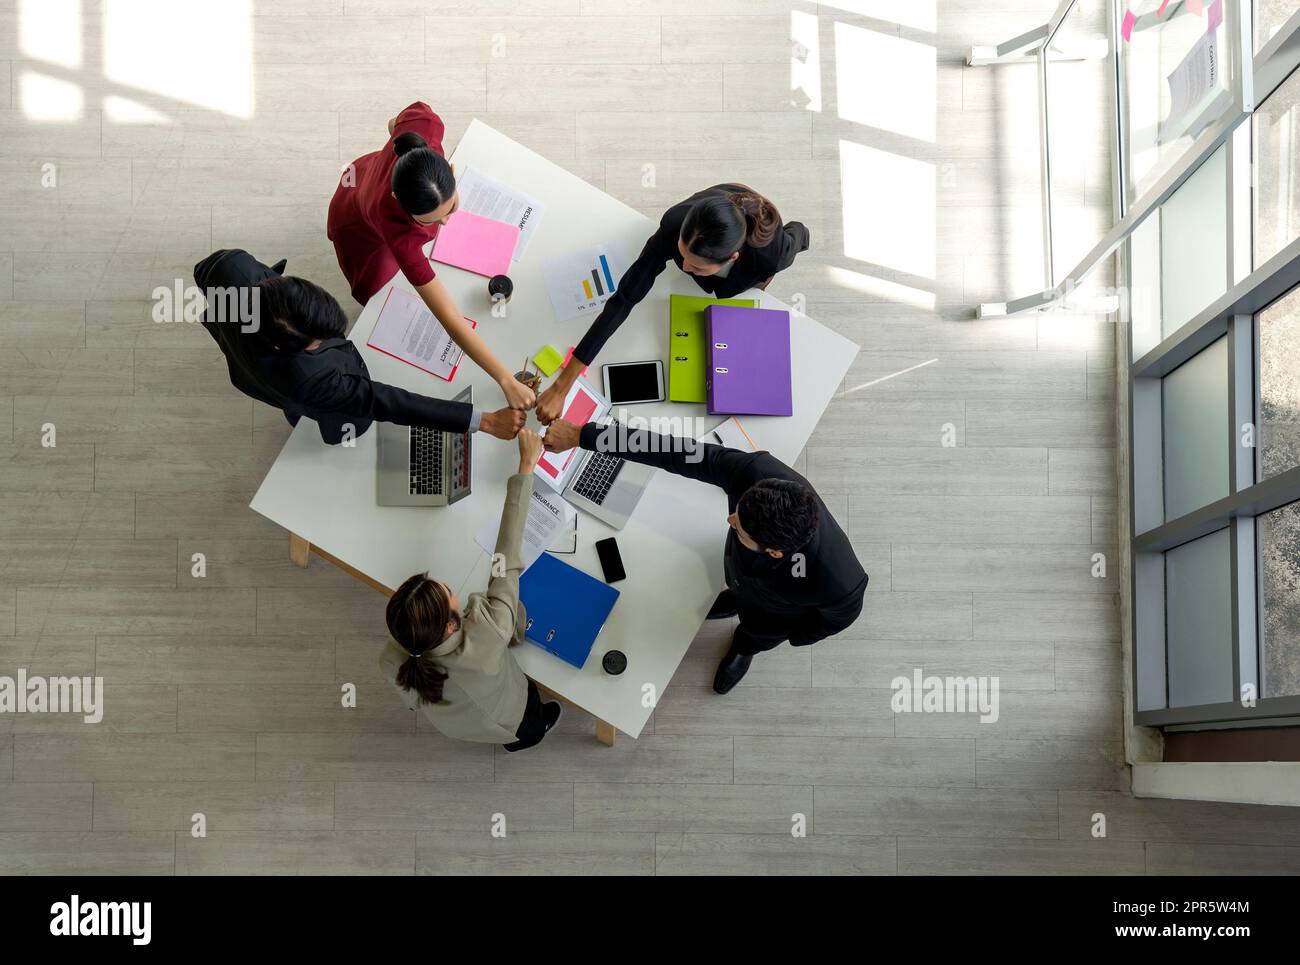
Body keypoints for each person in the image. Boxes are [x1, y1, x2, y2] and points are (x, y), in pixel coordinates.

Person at [542, 419, 866, 694]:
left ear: (776, 550)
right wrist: (582, 436)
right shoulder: (757, 473)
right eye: (737, 511)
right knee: (733, 589)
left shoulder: (840, 582)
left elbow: (831, 623)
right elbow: (673, 450)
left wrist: (785, 634)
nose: (729, 520)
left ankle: (744, 648)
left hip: (772, 617)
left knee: (754, 634)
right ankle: (734, 597)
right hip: (738, 570)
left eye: (740, 528)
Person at [536, 184, 810, 423]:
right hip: (718, 207)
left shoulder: (774, 254)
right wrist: (562, 385)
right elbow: (624, 298)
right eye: (681, 255)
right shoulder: (674, 224)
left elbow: (801, 232)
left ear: (732, 258)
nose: (685, 267)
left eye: (697, 267)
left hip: (752, 259)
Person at [193, 248, 524, 445]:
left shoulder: (231, 268)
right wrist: (485, 421)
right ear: (284, 348)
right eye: (320, 342)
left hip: (243, 353)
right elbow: (387, 402)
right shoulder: (312, 379)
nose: (335, 340)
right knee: (330, 418)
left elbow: (202, 272)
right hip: (288, 388)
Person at [327, 101, 534, 413]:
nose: (447, 222)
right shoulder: (398, 233)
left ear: (448, 168)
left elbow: (393, 122)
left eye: (450, 206)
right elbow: (449, 317)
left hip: (373, 173)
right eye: (432, 220)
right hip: (357, 222)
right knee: (375, 292)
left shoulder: (425, 124)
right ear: (399, 201)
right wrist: (505, 379)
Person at [379, 429, 563, 751]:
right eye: (446, 591)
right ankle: (525, 738)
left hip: (456, 727)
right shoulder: (489, 632)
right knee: (530, 725)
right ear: (451, 625)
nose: (449, 585)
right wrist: (525, 467)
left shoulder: (393, 659)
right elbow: (504, 561)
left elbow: (412, 700)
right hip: (515, 718)